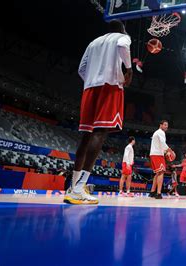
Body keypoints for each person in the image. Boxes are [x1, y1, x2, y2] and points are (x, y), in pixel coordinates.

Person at [64, 20, 132, 205]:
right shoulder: (122, 37)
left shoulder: (93, 43)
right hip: (109, 87)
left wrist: (92, 80)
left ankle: (75, 186)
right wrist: (129, 69)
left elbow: (81, 69)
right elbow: (123, 45)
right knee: (100, 133)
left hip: (89, 88)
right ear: (121, 29)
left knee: (86, 136)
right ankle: (79, 189)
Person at [149, 120, 171, 199]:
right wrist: (169, 150)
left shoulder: (156, 132)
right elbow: (163, 143)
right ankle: (158, 193)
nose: (166, 126)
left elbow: (160, 145)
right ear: (160, 125)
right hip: (158, 155)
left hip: (153, 154)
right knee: (161, 172)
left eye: (167, 125)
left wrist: (165, 152)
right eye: (165, 125)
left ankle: (152, 192)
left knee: (157, 173)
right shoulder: (161, 132)